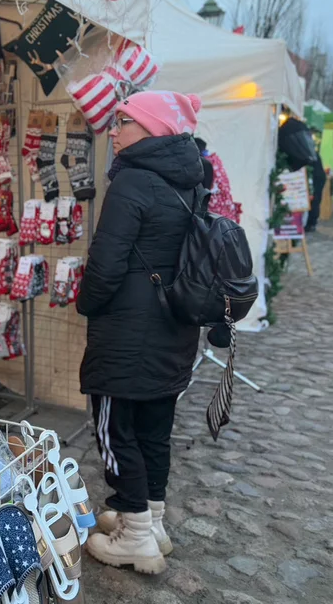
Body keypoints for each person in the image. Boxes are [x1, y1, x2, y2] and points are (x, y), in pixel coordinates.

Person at [76, 91, 205, 575]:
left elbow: (105, 266)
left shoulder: (132, 181)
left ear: (152, 129)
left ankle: (134, 537)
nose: (113, 128)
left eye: (124, 120)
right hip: (173, 329)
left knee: (116, 431)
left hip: (127, 333)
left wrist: (86, 304)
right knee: (154, 431)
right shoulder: (190, 177)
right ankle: (151, 521)